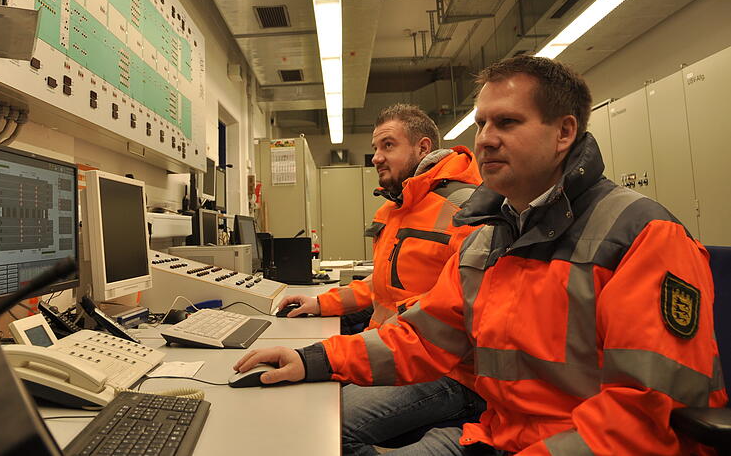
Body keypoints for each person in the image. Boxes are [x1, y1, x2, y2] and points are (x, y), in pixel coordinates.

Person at [238, 56, 726, 455]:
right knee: (312, 439)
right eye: (482, 123)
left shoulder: (641, 236)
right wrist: (313, 359)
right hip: (494, 435)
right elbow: (422, 339)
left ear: (564, 133)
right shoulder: (488, 238)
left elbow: (645, 419)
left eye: (508, 122)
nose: (485, 138)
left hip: (571, 445)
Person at [276, 104, 486, 454]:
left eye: (388, 145)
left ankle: (450, 440)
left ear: (422, 148)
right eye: (375, 148)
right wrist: (320, 303)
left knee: (324, 428)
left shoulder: (468, 210)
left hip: (447, 370)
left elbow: (457, 316)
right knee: (310, 403)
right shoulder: (395, 208)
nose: (375, 157)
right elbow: (383, 284)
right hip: (389, 349)